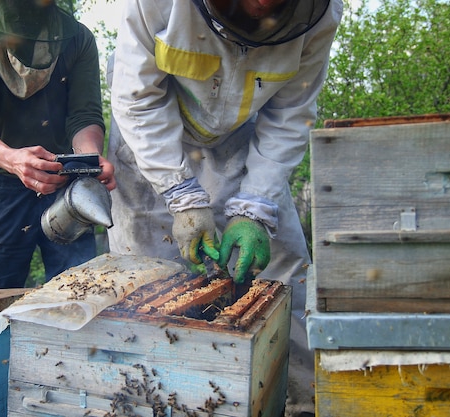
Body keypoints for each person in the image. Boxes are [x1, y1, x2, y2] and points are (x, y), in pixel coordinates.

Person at [107, 0, 342, 415]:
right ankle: (145, 401)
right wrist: (181, 195)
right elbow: (137, 99)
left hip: (245, 141)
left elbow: (291, 114)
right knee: (139, 279)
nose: (258, 13)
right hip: (153, 139)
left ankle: (305, 403)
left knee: (286, 270)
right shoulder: (156, 5)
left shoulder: (319, 13)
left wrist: (255, 207)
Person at [0, 0, 115, 289]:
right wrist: (11, 158)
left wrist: (89, 160)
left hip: (66, 185)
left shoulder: (77, 38)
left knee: (80, 293)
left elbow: (84, 115)